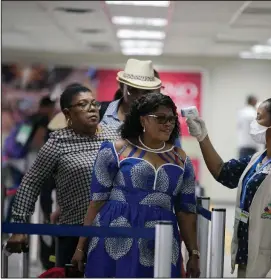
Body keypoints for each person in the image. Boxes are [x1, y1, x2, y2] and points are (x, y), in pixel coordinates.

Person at [71, 93, 200, 278]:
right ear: (143, 120)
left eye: (171, 119)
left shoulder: (181, 159)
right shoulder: (116, 150)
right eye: (161, 118)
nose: (168, 124)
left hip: (160, 240)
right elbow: (96, 202)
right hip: (114, 234)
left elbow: (186, 211)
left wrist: (193, 253)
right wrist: (80, 247)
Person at [186, 97, 271, 277]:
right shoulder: (258, 159)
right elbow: (223, 172)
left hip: (270, 264)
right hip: (247, 257)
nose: (254, 123)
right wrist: (202, 137)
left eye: (259, 117)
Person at [6, 85, 119, 268]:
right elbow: (31, 183)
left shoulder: (114, 136)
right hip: (74, 231)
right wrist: (19, 226)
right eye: (82, 104)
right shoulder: (58, 142)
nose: (91, 108)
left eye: (93, 103)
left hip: (113, 230)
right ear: (67, 113)